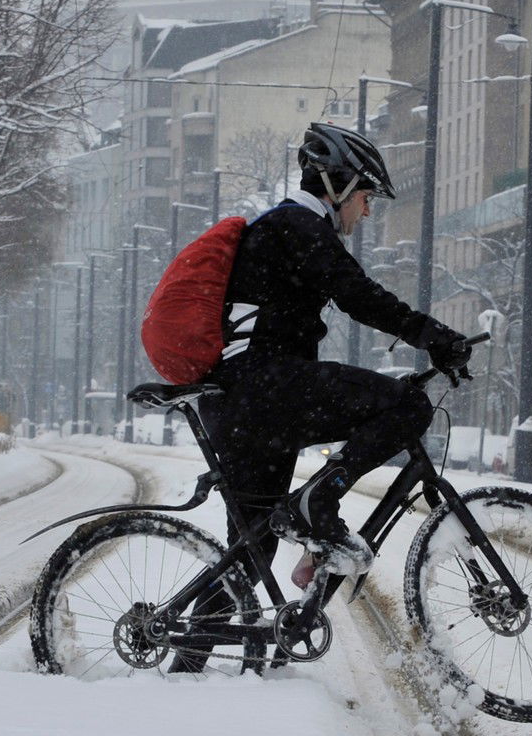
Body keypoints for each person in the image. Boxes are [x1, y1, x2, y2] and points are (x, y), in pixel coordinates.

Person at [199, 122, 473, 595]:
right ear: (337, 185)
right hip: (266, 386)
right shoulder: (297, 225)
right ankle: (319, 500)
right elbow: (357, 294)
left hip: (242, 400)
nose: (367, 211)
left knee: (250, 553)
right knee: (408, 406)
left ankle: (193, 656)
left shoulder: (286, 229)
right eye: (366, 197)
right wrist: (434, 336)